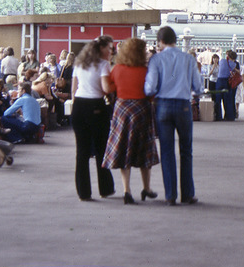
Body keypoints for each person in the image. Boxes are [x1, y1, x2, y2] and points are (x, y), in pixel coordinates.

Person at [144, 26, 202, 206]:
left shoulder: (156, 60)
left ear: (160, 41)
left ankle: (170, 195)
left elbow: (150, 88)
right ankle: (188, 194)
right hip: (184, 106)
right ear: (175, 40)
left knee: (167, 151)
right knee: (186, 151)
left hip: (163, 106)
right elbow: (198, 87)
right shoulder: (188, 59)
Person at [103, 38, 159, 205]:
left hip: (122, 111)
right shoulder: (146, 70)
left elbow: (110, 89)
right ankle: (146, 188)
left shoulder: (117, 69)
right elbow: (151, 93)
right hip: (142, 110)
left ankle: (126, 190)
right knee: (144, 149)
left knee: (124, 148)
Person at [70, 36, 115, 201]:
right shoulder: (103, 65)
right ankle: (105, 188)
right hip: (96, 106)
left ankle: (83, 192)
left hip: (79, 107)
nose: (111, 52)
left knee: (81, 152)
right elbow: (105, 88)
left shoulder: (79, 64)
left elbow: (73, 91)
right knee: (101, 149)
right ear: (101, 49)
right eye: (109, 48)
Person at [215, 50, 239, 122]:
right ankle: (229, 116)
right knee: (227, 99)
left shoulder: (222, 60)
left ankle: (218, 116)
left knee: (218, 99)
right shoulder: (233, 64)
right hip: (226, 81)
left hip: (219, 80)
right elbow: (236, 71)